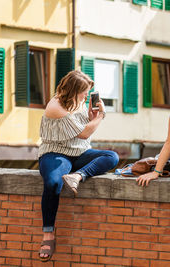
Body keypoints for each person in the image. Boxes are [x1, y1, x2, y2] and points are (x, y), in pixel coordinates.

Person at [37, 70, 119, 261]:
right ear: (73, 90)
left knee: (112, 157)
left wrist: (91, 117)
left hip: (80, 153)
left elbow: (84, 133)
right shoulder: (55, 106)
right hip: (55, 153)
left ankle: (78, 176)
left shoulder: (80, 102)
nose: (86, 96)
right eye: (83, 92)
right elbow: (82, 133)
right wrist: (101, 117)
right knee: (52, 183)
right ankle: (48, 234)